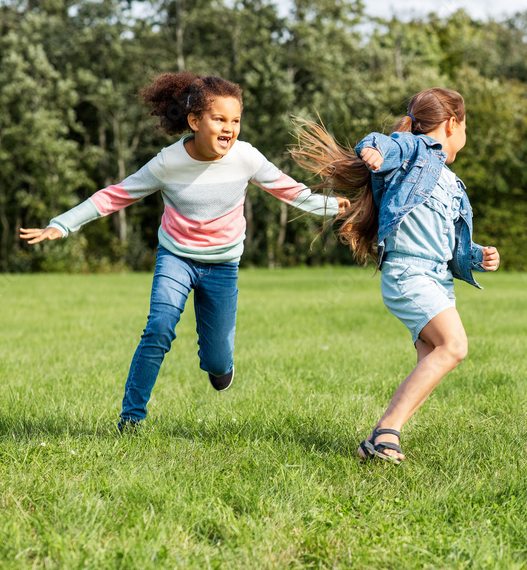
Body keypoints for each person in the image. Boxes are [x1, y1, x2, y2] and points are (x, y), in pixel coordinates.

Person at [20, 71, 349, 432]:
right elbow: (116, 194)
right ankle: (131, 419)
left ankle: (219, 366)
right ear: (195, 121)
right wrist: (62, 224)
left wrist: (332, 207)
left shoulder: (246, 158)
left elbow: (291, 191)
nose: (229, 128)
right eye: (219, 119)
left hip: (223, 265)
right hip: (176, 258)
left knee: (218, 361)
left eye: (235, 120)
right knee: (158, 328)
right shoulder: (167, 163)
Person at [291, 87, 500, 463]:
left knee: (432, 357)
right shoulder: (414, 150)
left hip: (438, 279)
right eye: (466, 127)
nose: (465, 137)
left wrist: (476, 256)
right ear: (453, 124)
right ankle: (387, 432)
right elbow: (386, 143)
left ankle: (378, 440)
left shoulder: (453, 184)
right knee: (454, 347)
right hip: (409, 273)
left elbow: (449, 245)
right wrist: (374, 152)